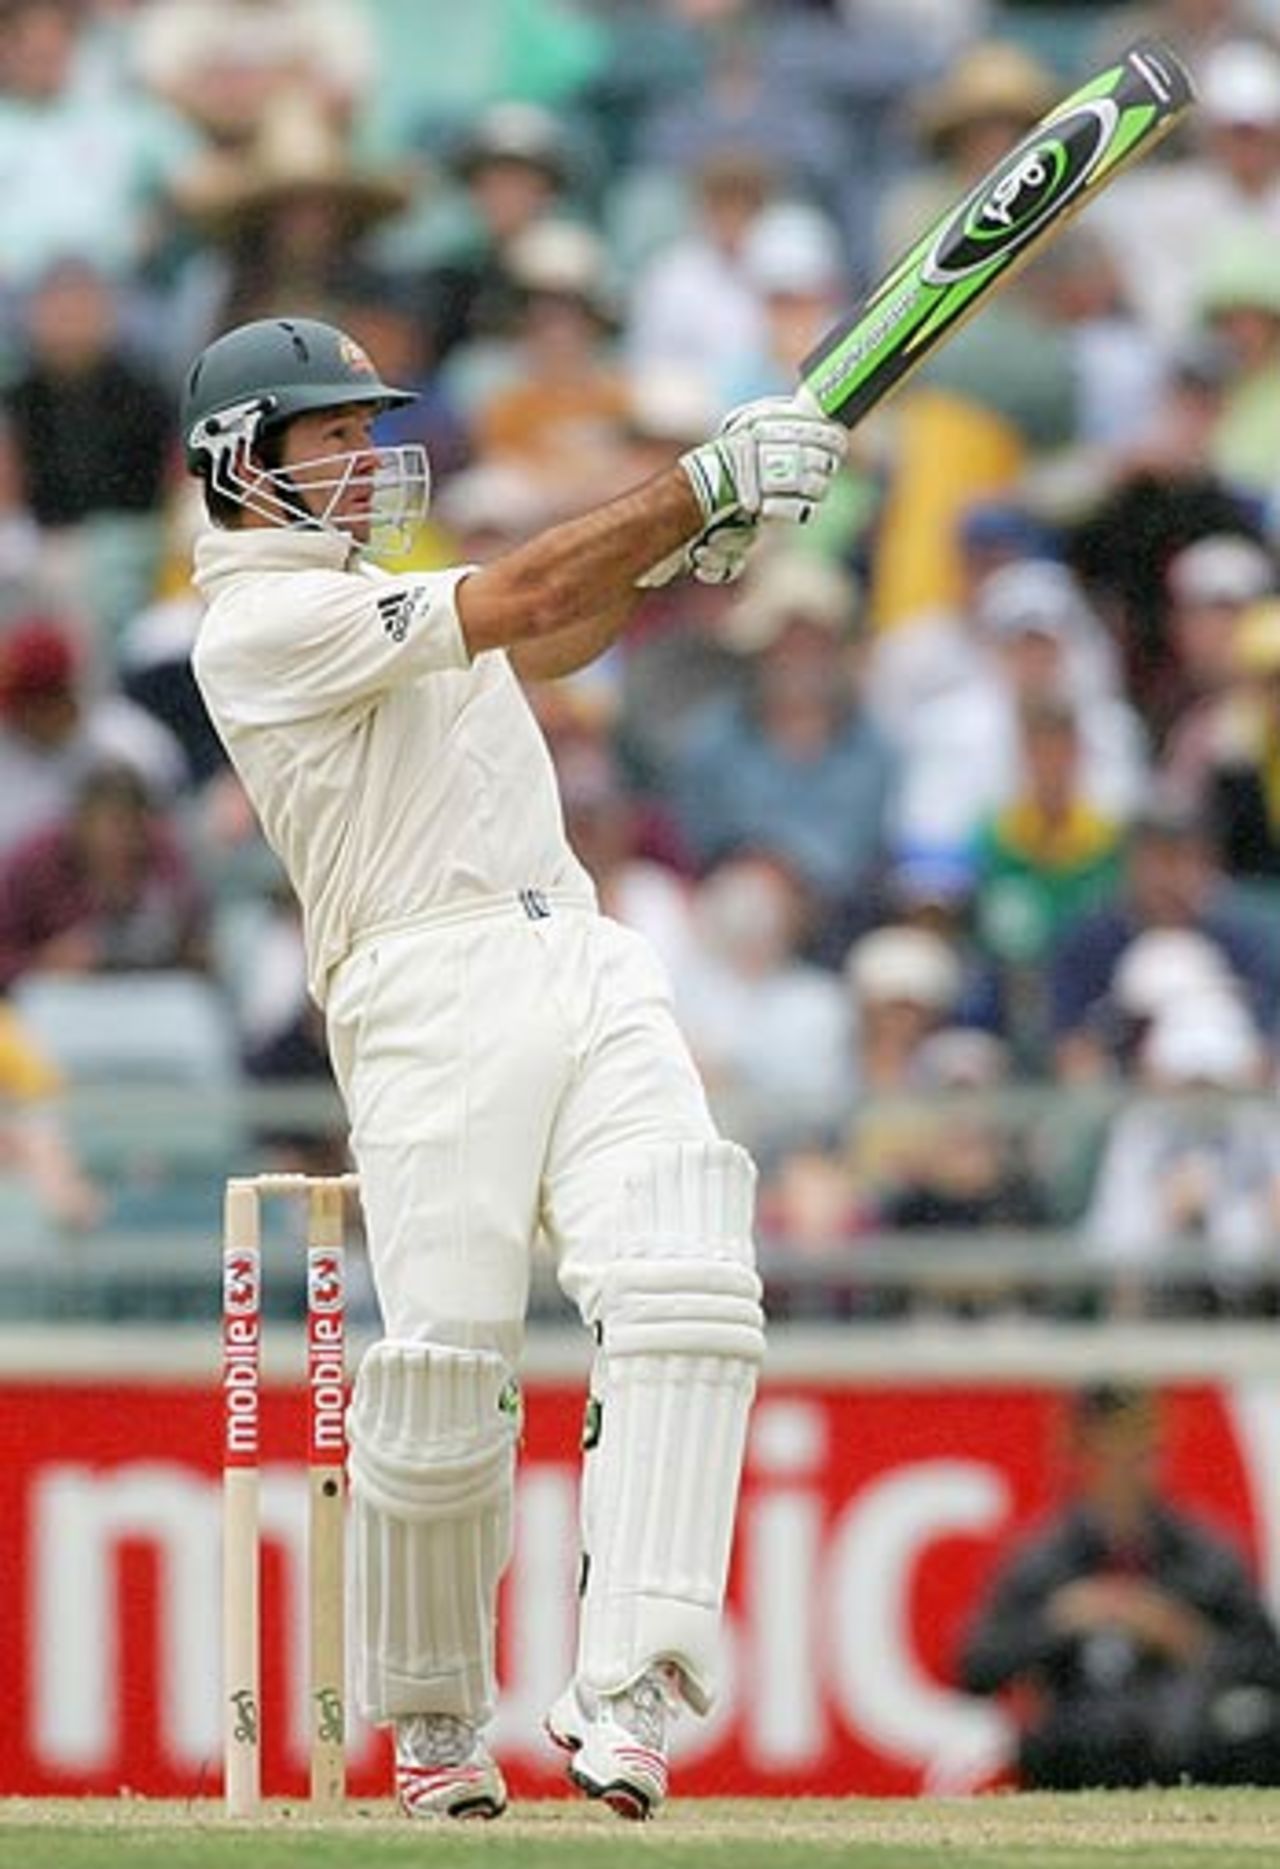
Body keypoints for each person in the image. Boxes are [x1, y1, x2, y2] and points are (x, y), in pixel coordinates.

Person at [180, 313, 846, 1821]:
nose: (365, 458)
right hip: (425, 983)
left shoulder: (379, 594)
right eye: (329, 437)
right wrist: (698, 481)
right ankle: (433, 1728)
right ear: (240, 465)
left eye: (366, 427)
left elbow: (552, 629)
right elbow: (527, 589)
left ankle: (631, 1697)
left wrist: (692, 548)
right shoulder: (256, 626)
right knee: (447, 1374)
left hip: (581, 942)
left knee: (689, 1276)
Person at [959, 1384, 1280, 1789]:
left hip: (1188, 1748)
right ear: (1079, 1458)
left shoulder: (1204, 1555)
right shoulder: (1046, 1558)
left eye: (1139, 1452)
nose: (1125, 1470)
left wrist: (1183, 1636)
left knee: (1255, 1731)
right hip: (1077, 1750)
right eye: (1108, 1454)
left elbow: (1266, 1663)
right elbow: (974, 1667)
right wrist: (1060, 1621)